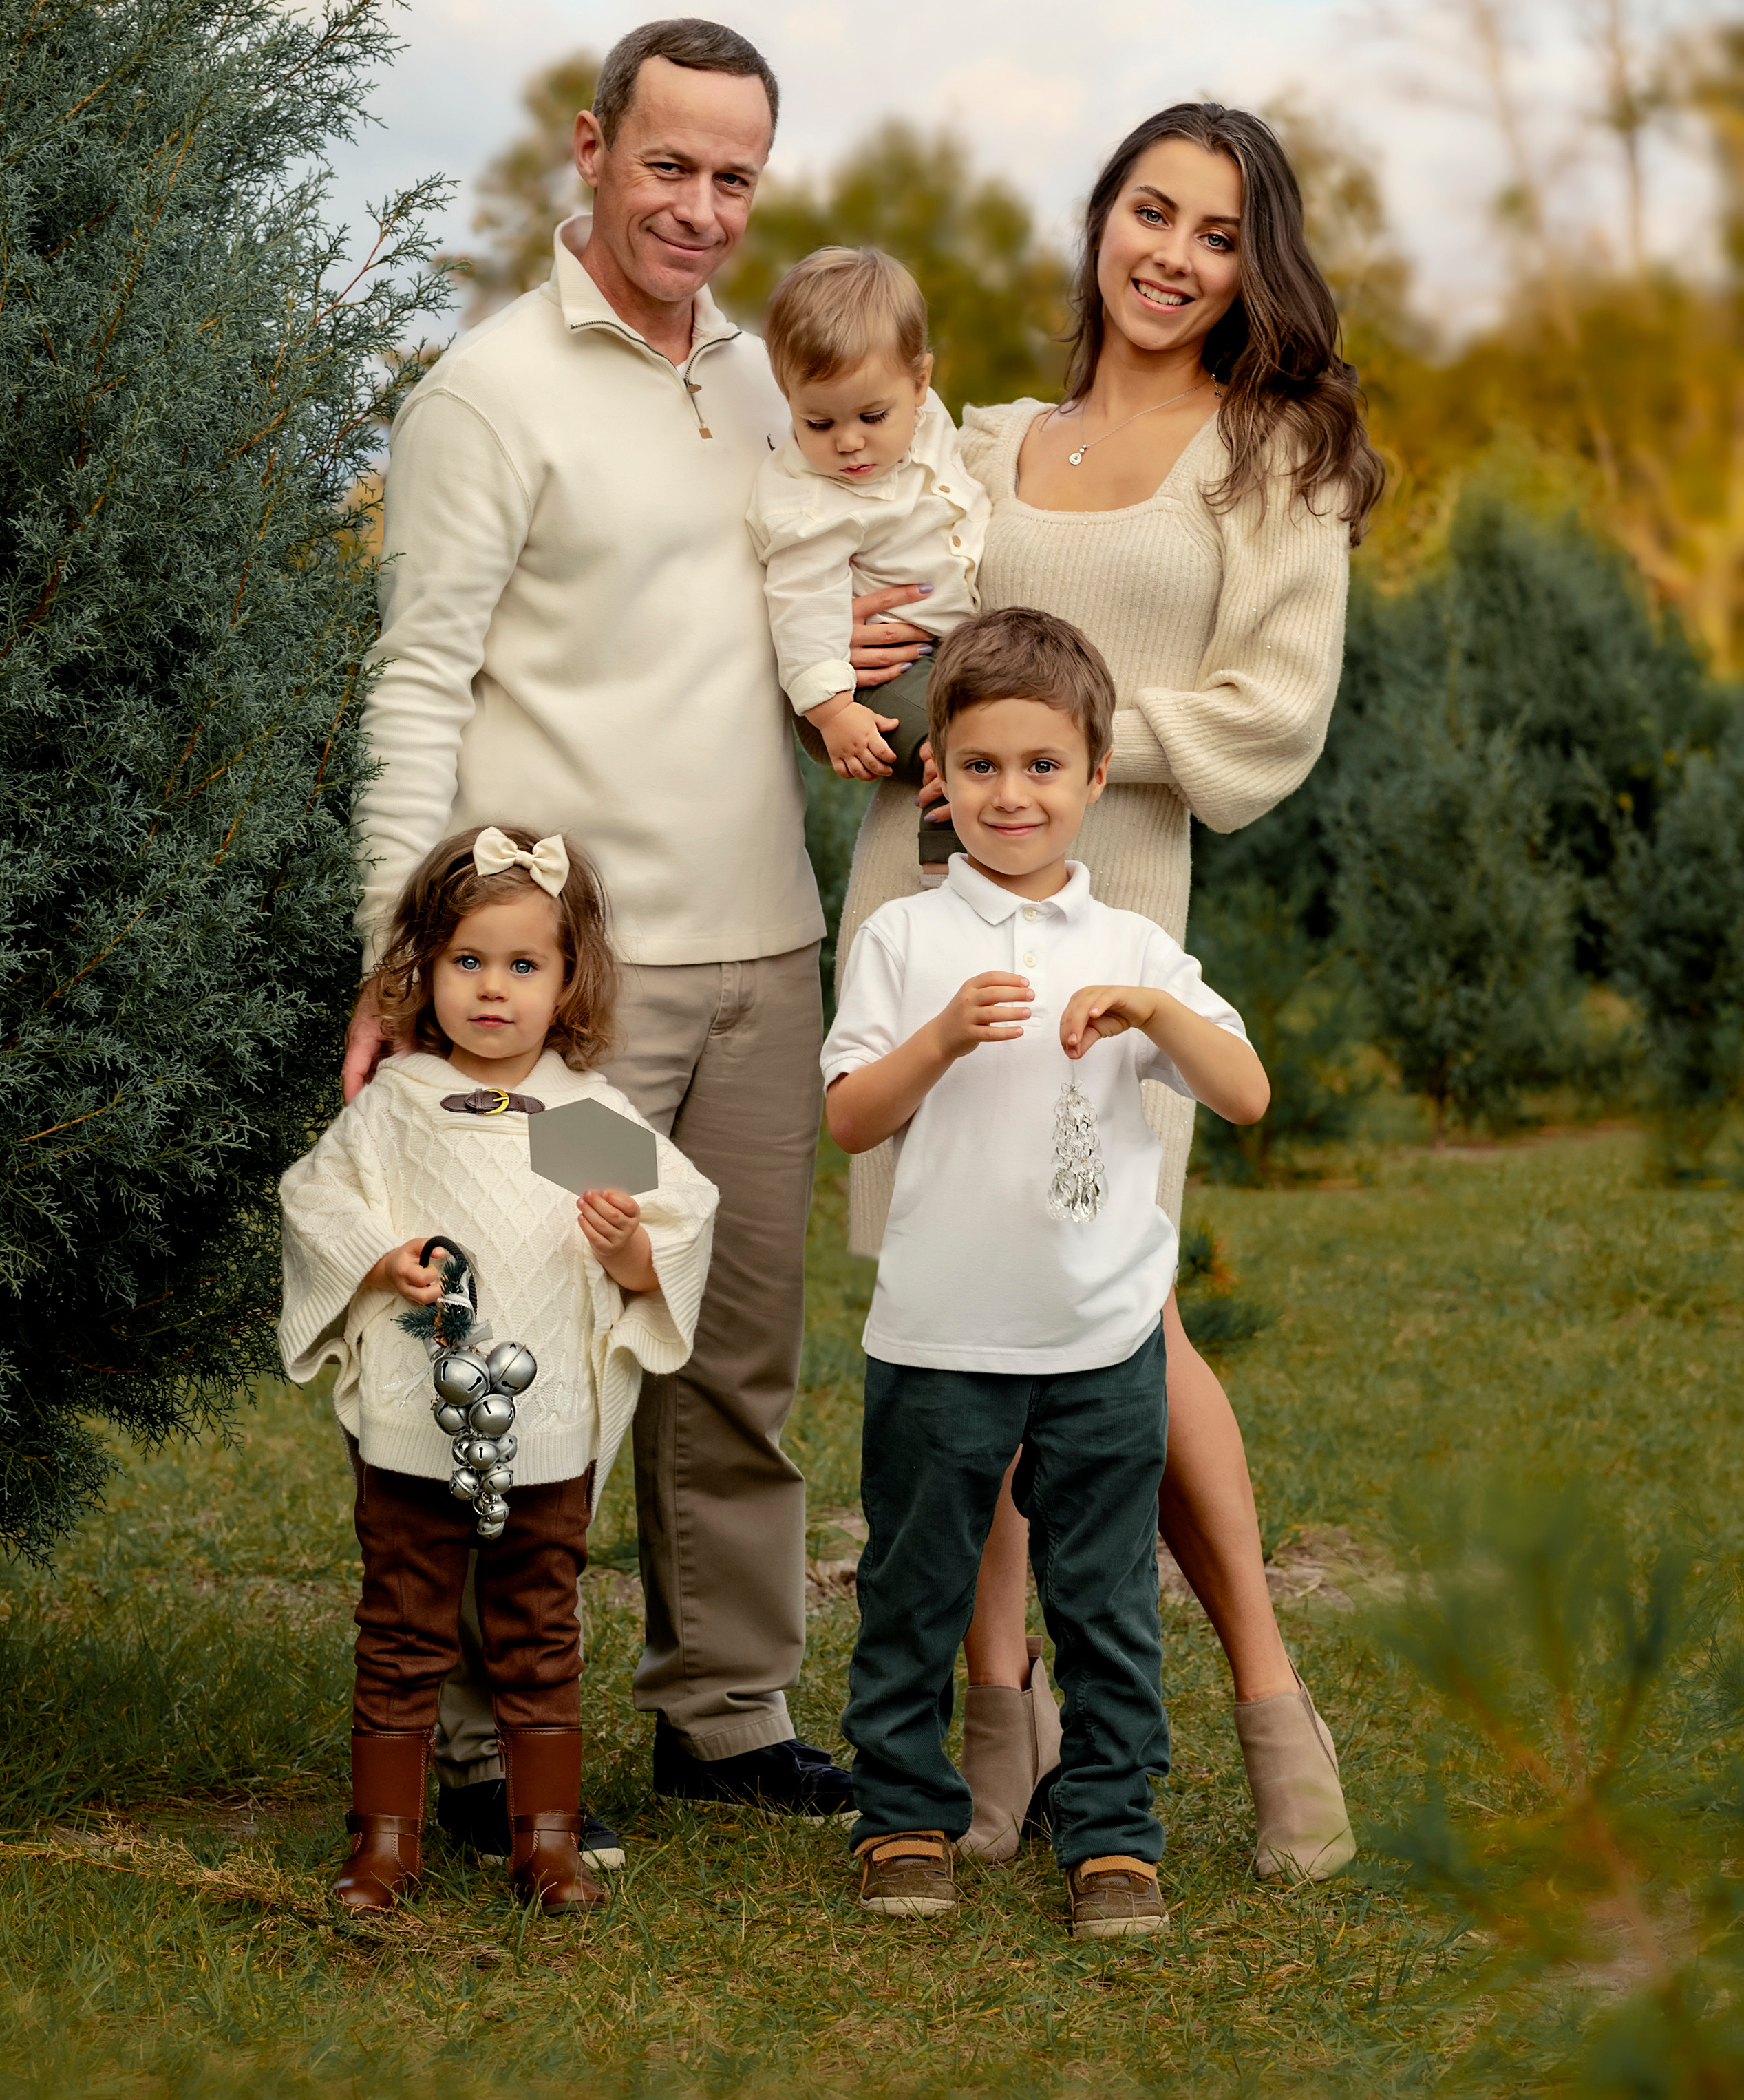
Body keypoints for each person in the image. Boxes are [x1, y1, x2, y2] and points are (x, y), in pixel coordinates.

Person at [840, 102, 1383, 1880]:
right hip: (929, 898)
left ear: (1252, 267)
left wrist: (1059, 748)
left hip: (1116, 909)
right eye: (1152, 212)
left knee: (1123, 1316)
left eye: (1218, 234)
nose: (1174, 255)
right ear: (1102, 220)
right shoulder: (985, 442)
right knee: (965, 1309)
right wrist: (868, 670)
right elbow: (875, 609)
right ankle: (1001, 1714)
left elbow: (1269, 717)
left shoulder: (1270, 458)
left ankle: (1272, 1705)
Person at [341, 18, 852, 1850]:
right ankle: (486, 1745)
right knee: (535, 1345)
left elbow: (808, 604)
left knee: (736, 1357)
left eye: (734, 177)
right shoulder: (488, 393)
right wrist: (397, 957)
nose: (699, 208)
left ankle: (725, 1714)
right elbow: (419, 682)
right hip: (569, 995)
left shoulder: (770, 383)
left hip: (764, 950)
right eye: (668, 165)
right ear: (590, 148)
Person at [824, 611, 1269, 1936]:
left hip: (1103, 1341)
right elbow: (849, 1120)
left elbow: (1245, 1093)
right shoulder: (905, 939)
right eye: (980, 767)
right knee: (913, 1594)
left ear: (1095, 773)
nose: (1010, 795)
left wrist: (1159, 1012)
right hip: (939, 1338)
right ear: (940, 776)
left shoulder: (1130, 948)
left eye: (1041, 767)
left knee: (1108, 1601)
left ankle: (1114, 1835)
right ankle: (904, 1820)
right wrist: (939, 1041)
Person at [281, 824, 719, 1915]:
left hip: (546, 1418)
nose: (493, 989)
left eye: (524, 965)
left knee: (539, 1631)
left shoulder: (572, 1120)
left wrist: (631, 1250)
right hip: (413, 1418)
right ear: (423, 971)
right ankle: (383, 1844)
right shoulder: (403, 1106)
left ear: (569, 979)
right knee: (402, 1628)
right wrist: (379, 1258)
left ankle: (547, 1842)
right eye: (467, 961)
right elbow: (316, 1198)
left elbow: (681, 1211)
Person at [745, 244, 988, 860]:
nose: (849, 443)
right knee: (962, 744)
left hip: (955, 647)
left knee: (1006, 721)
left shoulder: (927, 417)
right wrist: (832, 713)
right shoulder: (809, 502)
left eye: (872, 416)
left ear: (921, 383)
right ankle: (950, 870)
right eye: (819, 425)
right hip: (882, 674)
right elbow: (802, 605)